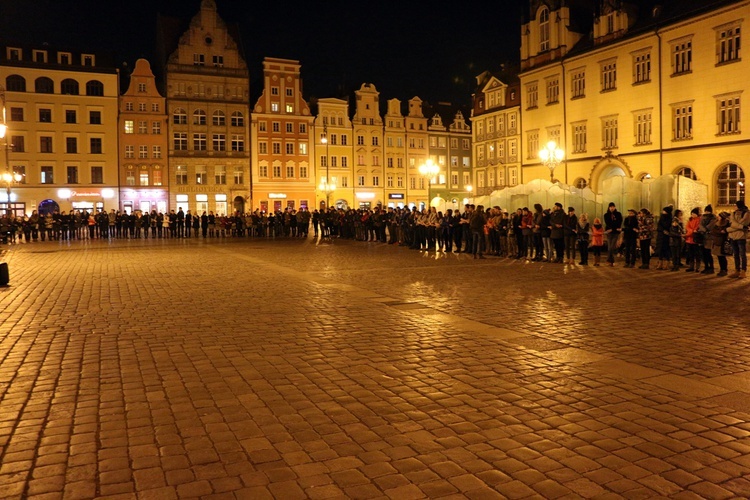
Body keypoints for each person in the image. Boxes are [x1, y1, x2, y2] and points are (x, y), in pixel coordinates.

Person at [727, 200, 749, 278]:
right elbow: (732, 223)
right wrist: (741, 227)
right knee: (735, 254)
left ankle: (743, 271)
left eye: (735, 205)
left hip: (741, 236)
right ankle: (737, 270)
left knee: (742, 254)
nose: (734, 207)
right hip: (733, 236)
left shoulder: (746, 213)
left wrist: (730, 229)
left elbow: (743, 223)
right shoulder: (733, 213)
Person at [711, 211, 731, 277]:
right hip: (716, 241)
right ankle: (722, 269)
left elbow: (724, 232)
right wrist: (719, 232)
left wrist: (719, 232)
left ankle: (724, 269)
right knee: (719, 256)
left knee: (722, 256)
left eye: (719, 216)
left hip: (722, 242)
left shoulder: (726, 223)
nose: (718, 217)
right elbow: (713, 231)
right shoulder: (717, 223)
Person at [697, 205, 716, 274]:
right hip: (702, 237)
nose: (706, 212)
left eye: (708, 211)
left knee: (708, 253)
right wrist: (704, 229)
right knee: (703, 253)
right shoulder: (702, 217)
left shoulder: (713, 217)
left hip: (709, 237)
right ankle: (706, 267)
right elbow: (700, 225)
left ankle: (711, 268)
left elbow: (711, 226)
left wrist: (704, 229)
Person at [603, 202, 623, 266]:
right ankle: (611, 261)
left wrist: (613, 229)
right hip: (609, 233)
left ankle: (609, 260)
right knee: (609, 247)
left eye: (613, 207)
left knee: (611, 247)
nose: (612, 208)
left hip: (615, 233)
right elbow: (608, 223)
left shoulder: (618, 214)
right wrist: (612, 228)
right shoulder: (606, 215)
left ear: (615, 207)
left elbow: (618, 223)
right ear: (609, 208)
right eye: (610, 207)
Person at [684, 207, 702, 272]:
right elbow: (687, 227)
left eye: (694, 213)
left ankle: (697, 267)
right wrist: (691, 231)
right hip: (689, 239)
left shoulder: (699, 220)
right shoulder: (690, 220)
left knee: (697, 254)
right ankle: (691, 267)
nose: (692, 215)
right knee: (690, 254)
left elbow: (697, 228)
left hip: (695, 240)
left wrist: (690, 232)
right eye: (692, 213)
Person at [655, 205, 673, 270]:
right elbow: (659, 225)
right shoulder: (661, 217)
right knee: (660, 249)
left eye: (664, 211)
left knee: (666, 249)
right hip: (660, 235)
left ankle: (667, 263)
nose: (663, 212)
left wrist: (666, 230)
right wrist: (662, 230)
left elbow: (668, 225)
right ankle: (660, 263)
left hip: (666, 236)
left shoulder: (670, 218)